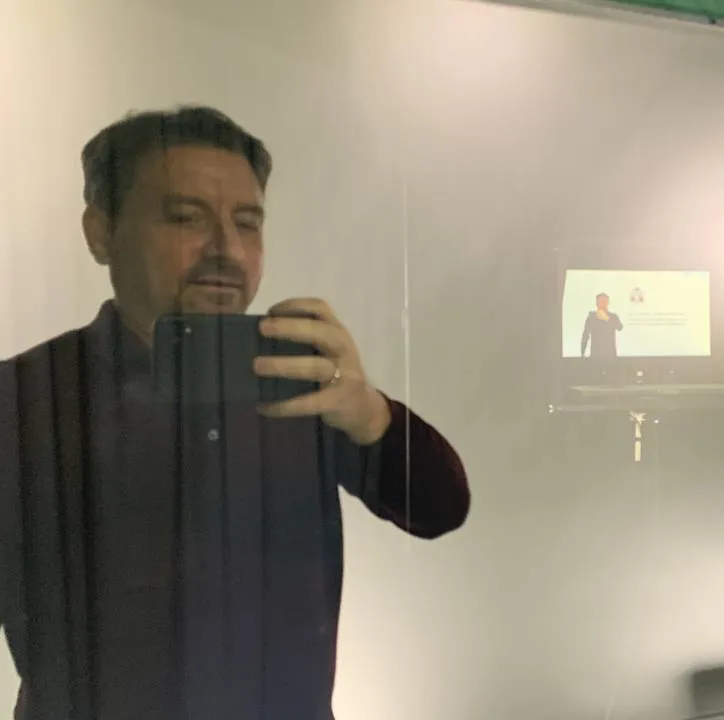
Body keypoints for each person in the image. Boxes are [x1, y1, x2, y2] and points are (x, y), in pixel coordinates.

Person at [0, 106, 470, 720]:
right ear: (101, 232)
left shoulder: (297, 378)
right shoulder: (24, 399)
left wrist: (372, 416)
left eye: (248, 223)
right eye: (186, 217)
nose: (227, 249)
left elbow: (440, 510)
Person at [580, 292, 623, 358]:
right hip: (595, 354)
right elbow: (585, 335)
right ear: (597, 303)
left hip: (610, 354)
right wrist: (582, 352)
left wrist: (607, 319)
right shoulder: (592, 316)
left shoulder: (613, 316)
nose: (603, 304)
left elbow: (620, 327)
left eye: (604, 301)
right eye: (600, 301)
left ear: (608, 303)